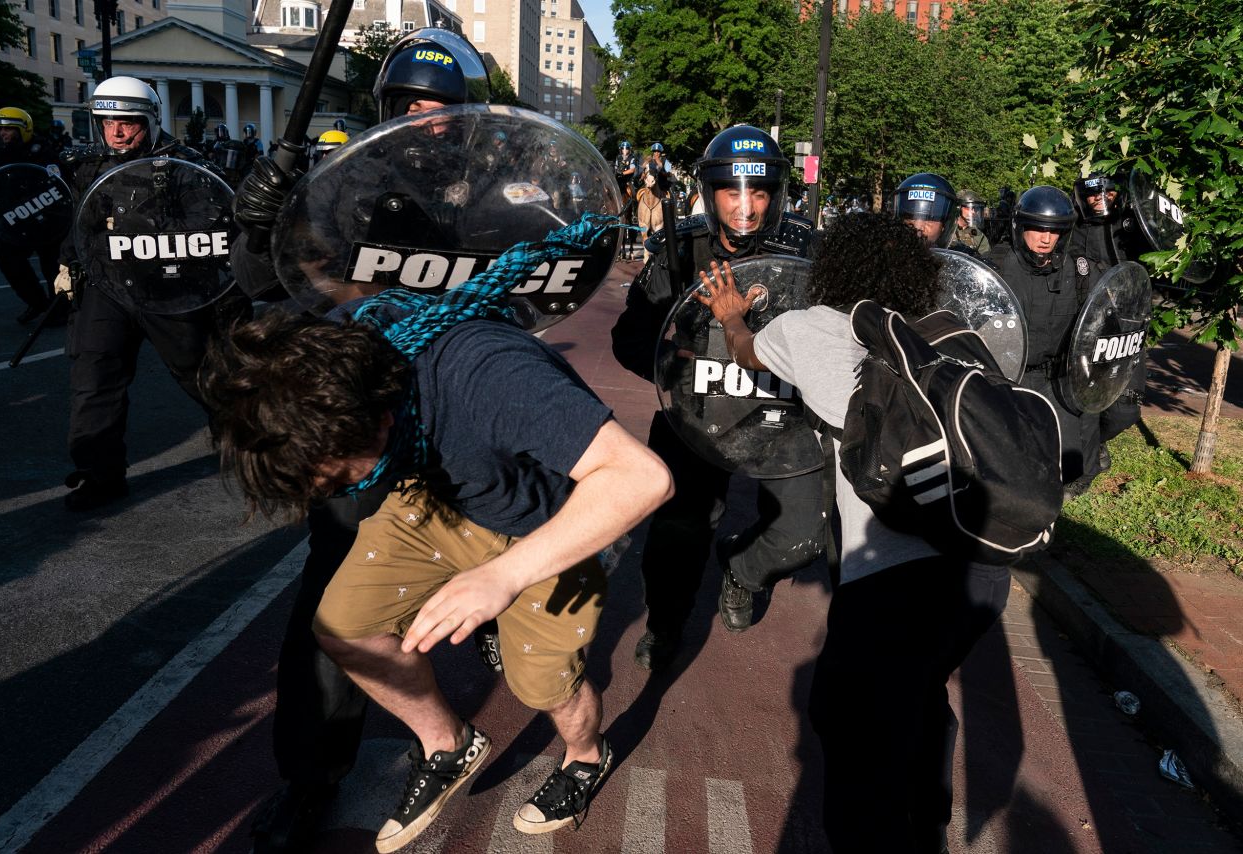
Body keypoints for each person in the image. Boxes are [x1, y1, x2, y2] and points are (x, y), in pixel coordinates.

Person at [199, 292, 673, 851]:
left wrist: (504, 574)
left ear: (374, 420)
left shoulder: (489, 374)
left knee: (543, 686)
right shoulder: (331, 356)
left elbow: (643, 479)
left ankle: (587, 757)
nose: (329, 492)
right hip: (438, 499)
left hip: (543, 526)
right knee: (342, 626)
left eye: (339, 478)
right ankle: (447, 744)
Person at [228, 29, 513, 853]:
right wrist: (261, 220)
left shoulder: (501, 199)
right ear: (387, 111)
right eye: (410, 107)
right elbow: (264, 287)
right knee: (328, 609)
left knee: (526, 585)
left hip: (461, 420)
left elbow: (544, 299)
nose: (426, 123)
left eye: (441, 109)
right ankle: (311, 779)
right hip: (368, 425)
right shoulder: (342, 193)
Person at [695, 210, 1011, 854]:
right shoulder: (951, 333)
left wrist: (731, 311)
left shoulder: (811, 328)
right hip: (982, 569)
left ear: (834, 268)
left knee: (849, 730)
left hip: (890, 578)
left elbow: (746, 352)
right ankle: (928, 827)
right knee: (921, 697)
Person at [611, 124, 823, 672]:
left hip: (781, 419)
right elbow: (628, 338)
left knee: (806, 531)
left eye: (759, 192)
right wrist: (671, 357)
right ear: (713, 193)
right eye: (733, 191)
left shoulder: (805, 253)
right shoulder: (680, 252)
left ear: (777, 193)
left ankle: (744, 571)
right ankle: (665, 625)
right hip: (696, 418)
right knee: (677, 533)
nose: (746, 206)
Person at [54, 76, 250, 511]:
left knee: (199, 372)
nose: (116, 132)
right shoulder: (89, 166)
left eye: (127, 122)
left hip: (167, 285)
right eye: (107, 123)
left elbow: (214, 228)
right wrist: (68, 262)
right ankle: (98, 474)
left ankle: (249, 443)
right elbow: (81, 222)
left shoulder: (184, 165)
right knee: (94, 375)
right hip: (107, 285)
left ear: (150, 120)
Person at [993, 185, 1100, 497]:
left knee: (1064, 467)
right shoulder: (996, 267)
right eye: (1038, 228)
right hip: (1005, 379)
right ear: (1021, 227)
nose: (1045, 239)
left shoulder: (1080, 273)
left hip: (1056, 381)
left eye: (1054, 231)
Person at [1069, 171, 1145, 469]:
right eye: (1093, 193)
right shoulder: (1071, 228)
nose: (1101, 199)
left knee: (1125, 411)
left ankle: (1099, 439)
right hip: (1085, 331)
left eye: (1108, 192)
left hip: (1126, 333)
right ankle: (1087, 457)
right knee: (1083, 403)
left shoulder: (1131, 228)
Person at [0, 107, 65, 324]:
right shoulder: (1, 155)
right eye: (0, 130)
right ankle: (38, 302)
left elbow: (56, 184)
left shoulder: (43, 153)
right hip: (18, 219)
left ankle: (57, 310)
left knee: (52, 266)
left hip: (47, 218)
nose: (3, 134)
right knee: (6, 255)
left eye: (9, 130)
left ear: (23, 129)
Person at [890, 172, 959, 248]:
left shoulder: (957, 256)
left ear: (944, 227)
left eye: (929, 221)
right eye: (910, 221)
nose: (918, 228)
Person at [950, 188, 991, 256]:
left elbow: (985, 258)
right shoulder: (946, 230)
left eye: (975, 209)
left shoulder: (978, 234)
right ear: (958, 208)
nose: (973, 212)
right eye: (969, 208)